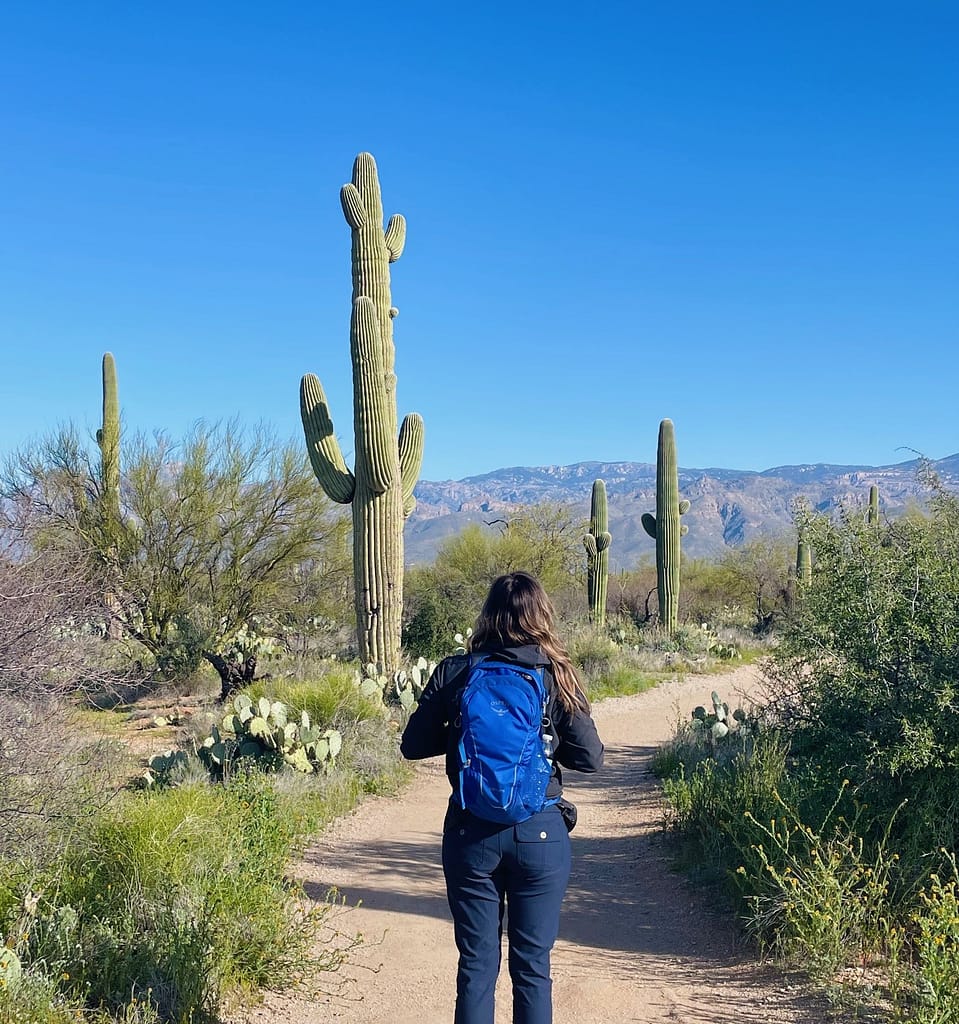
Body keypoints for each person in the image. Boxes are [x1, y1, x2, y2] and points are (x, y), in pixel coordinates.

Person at [401, 571, 604, 1024]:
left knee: (476, 967)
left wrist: (461, 735)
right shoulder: (556, 675)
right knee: (532, 969)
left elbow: (412, 745)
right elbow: (591, 758)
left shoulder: (456, 671)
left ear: (488, 615)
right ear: (542, 616)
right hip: (540, 832)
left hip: (470, 831)